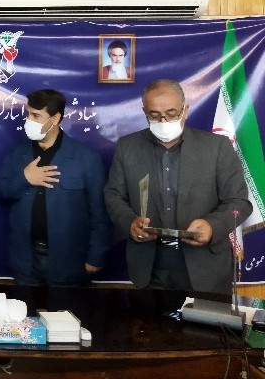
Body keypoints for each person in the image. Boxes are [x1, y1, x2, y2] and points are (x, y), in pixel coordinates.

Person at [104, 79, 252, 293]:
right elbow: (114, 195)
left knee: (205, 317)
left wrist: (212, 226)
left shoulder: (217, 147)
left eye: (171, 113)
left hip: (206, 268)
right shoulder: (127, 147)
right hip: (149, 267)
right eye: (154, 115)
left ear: (185, 110)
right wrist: (129, 223)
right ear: (144, 112)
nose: (163, 120)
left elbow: (239, 202)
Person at [0, 89, 111, 286]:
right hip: (26, 260)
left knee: (65, 306)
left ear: (55, 118)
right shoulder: (17, 154)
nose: (28, 120)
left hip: (68, 260)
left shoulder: (86, 158)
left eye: (36, 115)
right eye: (28, 114)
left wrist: (96, 256)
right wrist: (24, 178)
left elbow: (100, 213)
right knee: (25, 307)